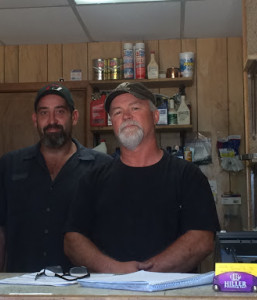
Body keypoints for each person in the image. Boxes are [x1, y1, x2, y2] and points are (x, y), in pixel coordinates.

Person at [64, 82, 220, 274]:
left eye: (135, 108)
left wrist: (147, 274)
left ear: (155, 116)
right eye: (117, 112)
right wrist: (117, 271)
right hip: (108, 294)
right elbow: (73, 240)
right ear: (112, 122)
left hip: (171, 295)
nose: (127, 116)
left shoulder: (188, 176)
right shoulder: (92, 180)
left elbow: (202, 240)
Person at [0, 82, 112, 272]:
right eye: (44, 113)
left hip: (82, 288)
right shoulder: (10, 164)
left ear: (74, 117)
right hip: (20, 287)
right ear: (35, 119)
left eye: (60, 112)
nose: (52, 120)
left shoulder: (102, 166)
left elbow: (114, 231)